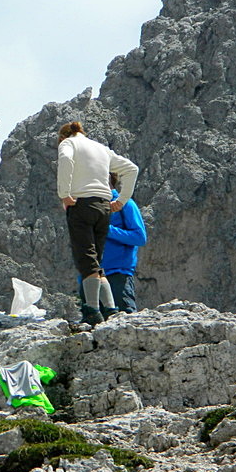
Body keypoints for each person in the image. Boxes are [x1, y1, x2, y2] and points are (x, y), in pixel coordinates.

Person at [57, 121, 138, 326]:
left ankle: (92, 310)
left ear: (63, 136)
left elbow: (65, 160)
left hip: (82, 204)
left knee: (86, 260)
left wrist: (64, 194)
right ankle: (110, 309)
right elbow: (131, 168)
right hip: (104, 207)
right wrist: (121, 200)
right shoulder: (102, 149)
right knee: (96, 262)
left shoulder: (69, 144)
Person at [79, 173, 147, 317]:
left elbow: (139, 237)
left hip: (117, 275)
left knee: (123, 324)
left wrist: (107, 229)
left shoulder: (124, 203)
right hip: (90, 278)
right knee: (92, 326)